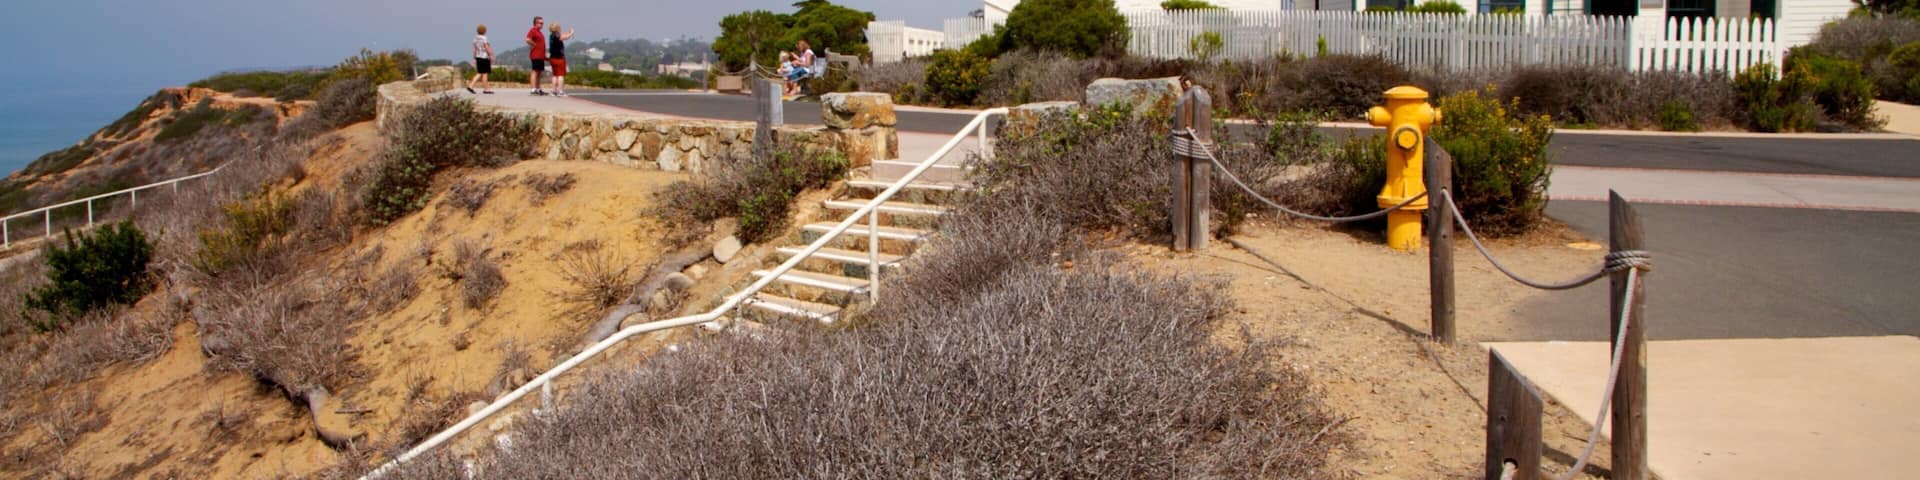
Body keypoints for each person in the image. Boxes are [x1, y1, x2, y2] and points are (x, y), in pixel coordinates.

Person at [548, 23, 576, 97]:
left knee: (555, 75)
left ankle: (553, 91)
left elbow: (562, 35)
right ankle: (560, 91)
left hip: (552, 58)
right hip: (559, 58)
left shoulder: (551, 35)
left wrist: (568, 33)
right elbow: (563, 37)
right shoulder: (557, 35)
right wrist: (571, 33)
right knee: (560, 75)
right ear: (557, 28)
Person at [467, 24, 494, 94]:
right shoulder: (484, 38)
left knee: (479, 72)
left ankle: (471, 86)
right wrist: (491, 54)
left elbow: (474, 49)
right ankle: (485, 89)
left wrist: (474, 58)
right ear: (484, 31)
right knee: (485, 73)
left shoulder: (475, 38)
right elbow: (486, 47)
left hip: (478, 57)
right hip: (484, 57)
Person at [526, 16, 548, 95]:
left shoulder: (540, 32)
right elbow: (527, 39)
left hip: (541, 56)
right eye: (540, 23)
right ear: (535, 23)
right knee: (534, 71)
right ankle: (533, 89)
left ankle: (538, 88)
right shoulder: (533, 30)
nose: (542, 25)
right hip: (535, 55)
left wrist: (545, 56)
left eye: (542, 23)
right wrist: (534, 44)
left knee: (539, 72)